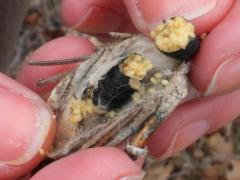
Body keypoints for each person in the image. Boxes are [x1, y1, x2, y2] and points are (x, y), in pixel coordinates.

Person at [0, 0, 239, 179]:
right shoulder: (139, 46)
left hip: (90, 136)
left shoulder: (172, 84)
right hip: (68, 113)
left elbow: (153, 120)